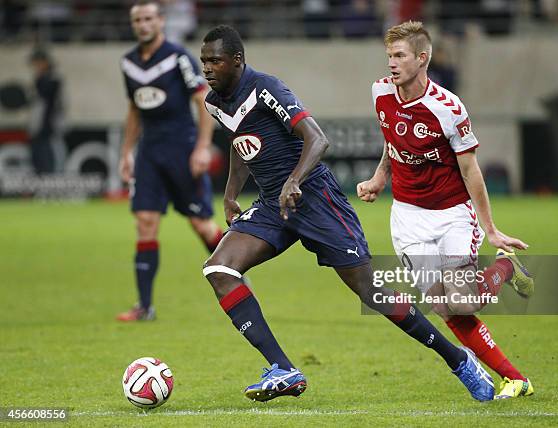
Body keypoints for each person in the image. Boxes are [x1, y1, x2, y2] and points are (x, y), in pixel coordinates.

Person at [200, 24, 495, 403]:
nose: (207, 68)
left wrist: (294, 180)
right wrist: (229, 195)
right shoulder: (214, 102)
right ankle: (283, 369)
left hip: (316, 199)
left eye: (215, 61)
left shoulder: (265, 88)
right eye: (204, 61)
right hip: (275, 204)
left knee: (372, 292)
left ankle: (459, 360)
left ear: (237, 61)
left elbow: (317, 139)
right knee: (219, 269)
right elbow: (242, 144)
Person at [357, 21, 535, 400]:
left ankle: (505, 266)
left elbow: (471, 171)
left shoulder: (448, 108)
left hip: (452, 212)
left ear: (422, 58)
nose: (392, 63)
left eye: (400, 56)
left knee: (464, 299)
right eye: (389, 55)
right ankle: (515, 378)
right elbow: (392, 141)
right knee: (444, 306)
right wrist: (378, 178)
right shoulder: (380, 93)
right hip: (407, 216)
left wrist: (491, 229)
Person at [116, 0, 224, 322]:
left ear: (161, 21)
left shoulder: (178, 58)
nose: (143, 24)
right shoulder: (129, 63)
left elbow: (202, 98)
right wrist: (126, 152)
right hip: (150, 152)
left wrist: (203, 147)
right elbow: (135, 108)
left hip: (182, 149)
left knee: (201, 224)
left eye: (149, 18)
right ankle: (144, 306)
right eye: (138, 19)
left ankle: (235, 274)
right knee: (145, 223)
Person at [28, 48, 65, 175]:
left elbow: (48, 93)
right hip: (40, 127)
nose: (36, 67)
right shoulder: (44, 79)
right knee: (38, 159)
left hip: (51, 126)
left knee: (51, 159)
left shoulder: (53, 78)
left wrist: (39, 79)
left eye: (37, 63)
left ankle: (51, 184)